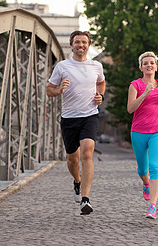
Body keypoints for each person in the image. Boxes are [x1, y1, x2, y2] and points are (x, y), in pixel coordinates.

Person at [46, 30, 106, 215]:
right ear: (72, 45)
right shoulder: (62, 66)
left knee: (87, 152)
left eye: (84, 42)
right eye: (77, 42)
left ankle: (85, 200)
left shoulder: (96, 66)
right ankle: (77, 182)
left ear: (89, 45)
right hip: (69, 118)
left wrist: (100, 96)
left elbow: (101, 83)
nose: (81, 45)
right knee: (73, 159)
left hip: (89, 115)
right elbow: (49, 90)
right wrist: (59, 90)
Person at [127, 51, 158, 219]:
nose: (149, 65)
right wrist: (145, 93)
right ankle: (146, 183)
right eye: (146, 63)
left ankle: (152, 206)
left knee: (155, 167)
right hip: (138, 131)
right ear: (141, 67)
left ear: (156, 66)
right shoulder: (135, 85)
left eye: (152, 63)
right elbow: (130, 108)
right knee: (142, 169)